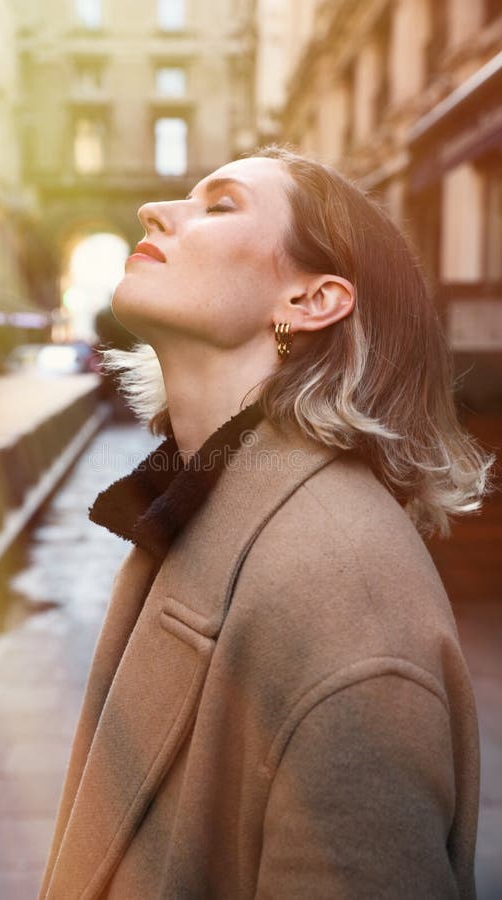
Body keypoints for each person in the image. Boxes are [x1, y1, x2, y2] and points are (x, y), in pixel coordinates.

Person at [38, 146, 492, 899]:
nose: (157, 212)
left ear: (311, 301)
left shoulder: (346, 602)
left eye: (219, 206)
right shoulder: (207, 501)